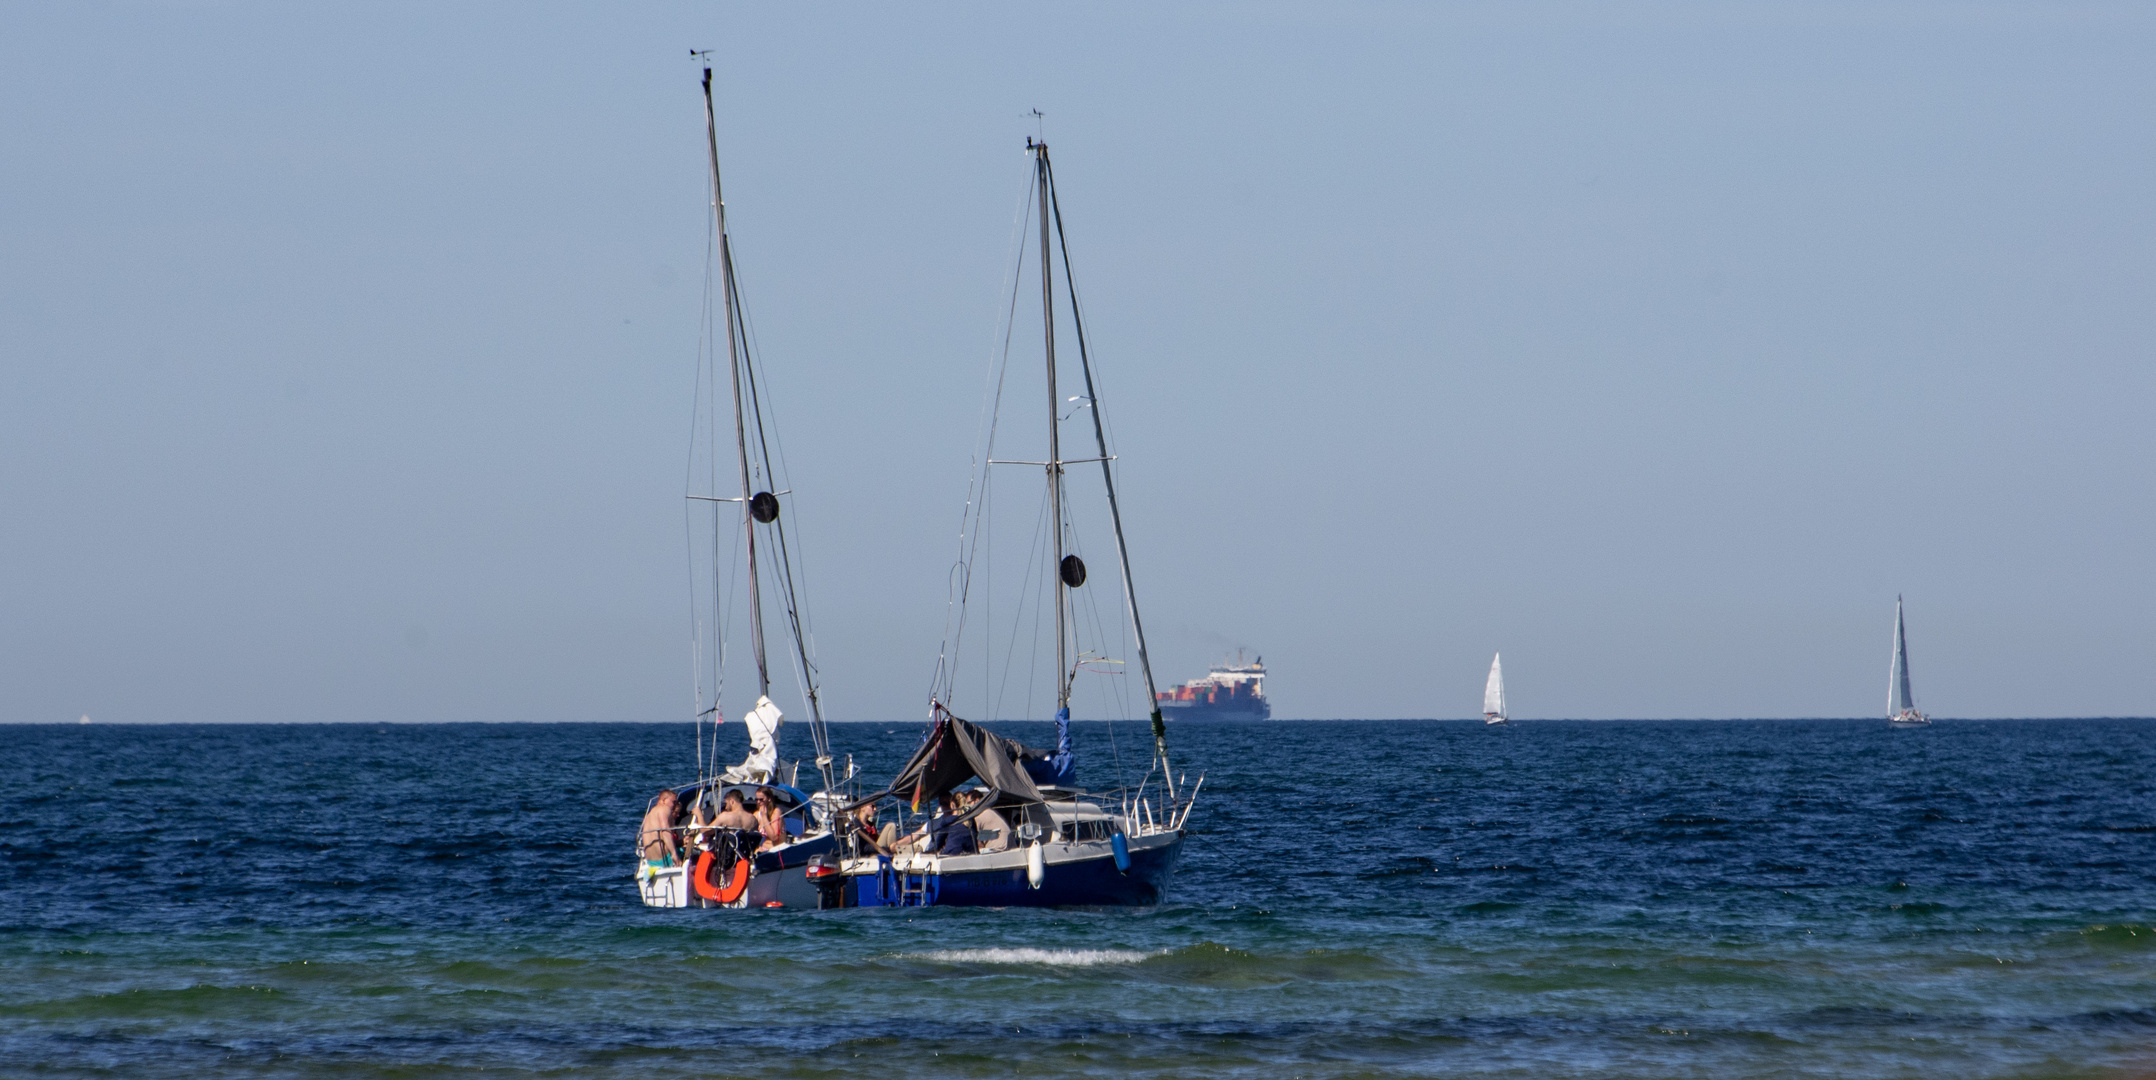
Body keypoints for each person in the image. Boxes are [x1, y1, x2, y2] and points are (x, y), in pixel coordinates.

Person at [638, 789, 682, 865]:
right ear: (664, 800)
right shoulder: (664, 808)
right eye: (673, 802)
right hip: (664, 859)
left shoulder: (650, 814)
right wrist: (674, 854)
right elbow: (665, 832)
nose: (674, 805)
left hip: (651, 861)